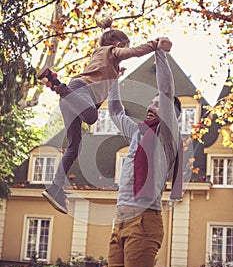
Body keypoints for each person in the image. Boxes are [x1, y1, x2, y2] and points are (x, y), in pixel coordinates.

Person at [37, 15, 167, 214]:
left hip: (72, 100)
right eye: (123, 46)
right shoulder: (112, 51)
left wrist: (116, 73)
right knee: (91, 117)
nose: (123, 51)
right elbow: (134, 52)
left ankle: (55, 187)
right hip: (77, 93)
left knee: (74, 147)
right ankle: (56, 85)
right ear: (118, 44)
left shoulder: (102, 57)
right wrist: (155, 45)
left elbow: (104, 75)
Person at [107, 38, 183, 267]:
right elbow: (115, 112)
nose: (151, 106)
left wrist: (159, 53)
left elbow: (165, 91)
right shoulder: (138, 133)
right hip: (120, 223)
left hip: (144, 223)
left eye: (157, 104)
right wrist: (114, 78)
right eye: (149, 103)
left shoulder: (167, 137)